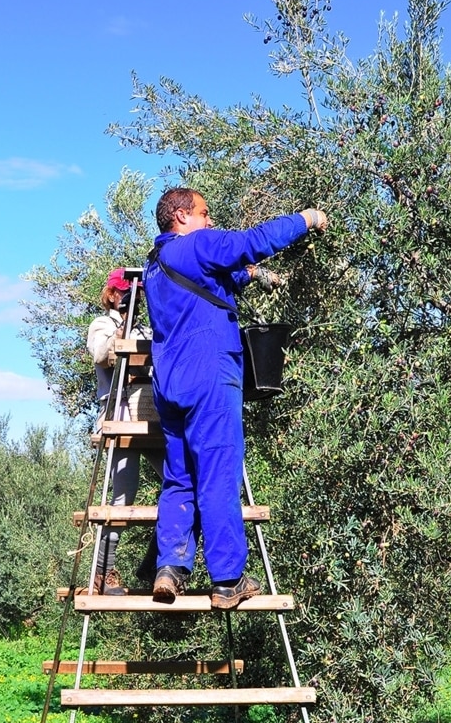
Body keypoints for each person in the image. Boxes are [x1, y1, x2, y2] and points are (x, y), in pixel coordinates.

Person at [143, 187, 328, 608]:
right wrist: (306, 219)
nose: (210, 221)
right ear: (181, 216)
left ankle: (169, 568)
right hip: (209, 373)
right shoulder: (199, 243)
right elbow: (252, 241)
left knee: (179, 478)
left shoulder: (156, 265)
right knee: (218, 473)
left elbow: (211, 282)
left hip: (170, 384)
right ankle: (227, 581)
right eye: (204, 214)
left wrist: (253, 276)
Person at [85, 268, 164, 595]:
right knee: (122, 497)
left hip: (152, 418)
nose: (132, 297)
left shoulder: (148, 327)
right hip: (119, 415)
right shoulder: (102, 324)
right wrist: (124, 323)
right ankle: (105, 571)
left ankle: (158, 564)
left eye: (137, 294)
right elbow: (102, 355)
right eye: (126, 292)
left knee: (184, 485)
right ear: (113, 294)